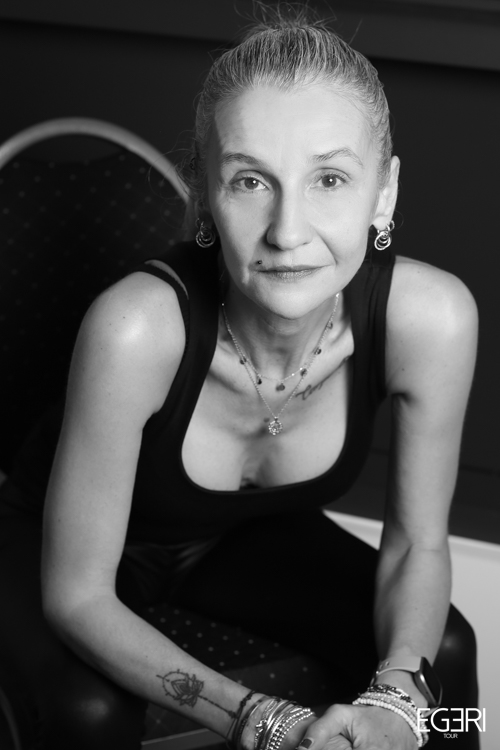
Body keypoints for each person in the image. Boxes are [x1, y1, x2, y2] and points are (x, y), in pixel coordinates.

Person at [0, 8, 479, 750]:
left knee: (442, 650)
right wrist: (259, 717)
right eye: (251, 180)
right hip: (46, 548)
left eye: (329, 179)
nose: (288, 232)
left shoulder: (432, 319)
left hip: (233, 544)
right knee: (89, 713)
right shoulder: (135, 328)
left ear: (383, 193)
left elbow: (418, 545)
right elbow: (77, 597)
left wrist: (397, 697)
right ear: (205, 194)